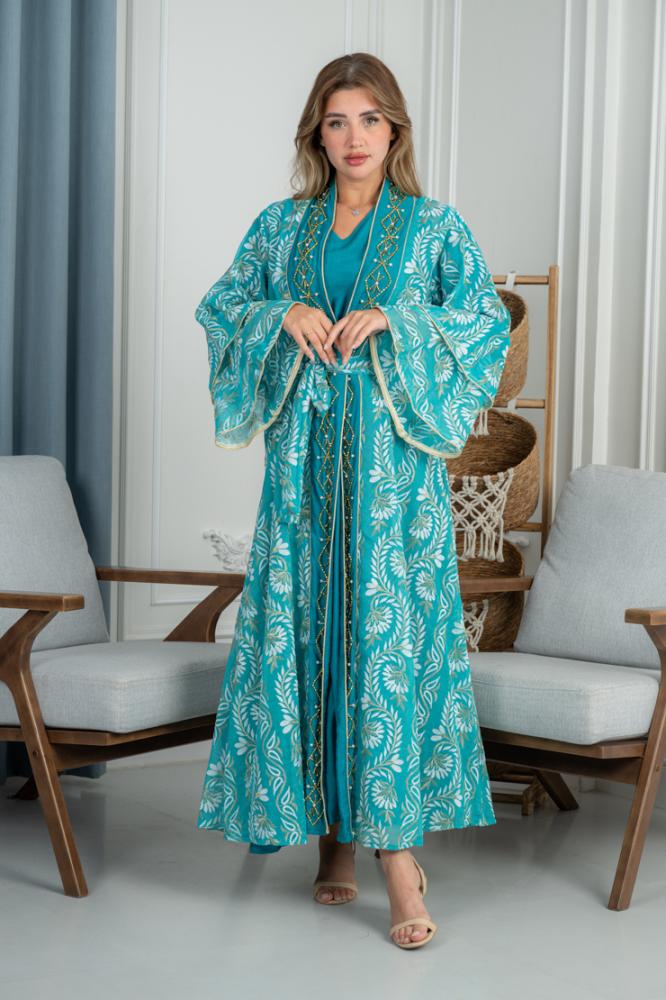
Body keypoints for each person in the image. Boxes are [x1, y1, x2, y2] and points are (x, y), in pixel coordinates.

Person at [194, 52, 511, 950]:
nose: (354, 137)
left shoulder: (433, 227)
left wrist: (399, 321)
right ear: (318, 135)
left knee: (383, 647)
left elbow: (483, 325)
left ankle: (398, 861)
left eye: (370, 119)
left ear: (394, 129)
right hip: (300, 476)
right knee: (306, 635)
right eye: (337, 121)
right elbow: (222, 309)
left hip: (391, 486)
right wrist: (280, 315)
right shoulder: (280, 226)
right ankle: (331, 837)